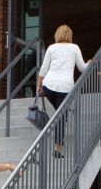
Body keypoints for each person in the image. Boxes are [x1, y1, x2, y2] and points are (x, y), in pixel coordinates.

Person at [36, 24, 89, 158]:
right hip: (65, 87)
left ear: (57, 35)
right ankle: (57, 148)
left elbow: (43, 68)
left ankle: (59, 139)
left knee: (61, 115)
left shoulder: (51, 48)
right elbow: (82, 68)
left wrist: (39, 85)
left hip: (49, 85)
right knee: (61, 116)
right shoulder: (74, 48)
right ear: (69, 35)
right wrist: (90, 62)